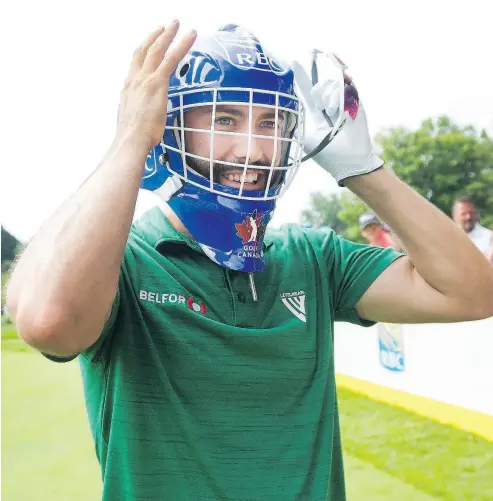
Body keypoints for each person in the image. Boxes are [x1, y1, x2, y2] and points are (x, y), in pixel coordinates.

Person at [6, 22, 493, 501]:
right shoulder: (125, 262)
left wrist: (363, 168)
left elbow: (472, 292)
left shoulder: (312, 257)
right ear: (169, 126)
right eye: (224, 120)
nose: (255, 150)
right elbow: (50, 322)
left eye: (270, 124)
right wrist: (131, 140)